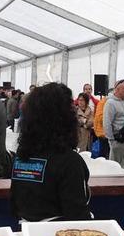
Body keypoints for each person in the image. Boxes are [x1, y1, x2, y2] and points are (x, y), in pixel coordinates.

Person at [11, 83, 91, 222]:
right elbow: (77, 216)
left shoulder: (22, 155)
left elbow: (15, 202)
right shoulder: (70, 162)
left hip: (24, 231)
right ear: (66, 118)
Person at [103, 79, 124, 167]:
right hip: (117, 141)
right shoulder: (110, 103)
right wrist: (112, 141)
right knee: (114, 166)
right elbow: (107, 123)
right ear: (117, 90)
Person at [93, 91, 109, 158]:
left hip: (103, 132)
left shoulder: (104, 101)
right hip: (103, 133)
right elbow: (100, 118)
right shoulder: (104, 102)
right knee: (103, 155)